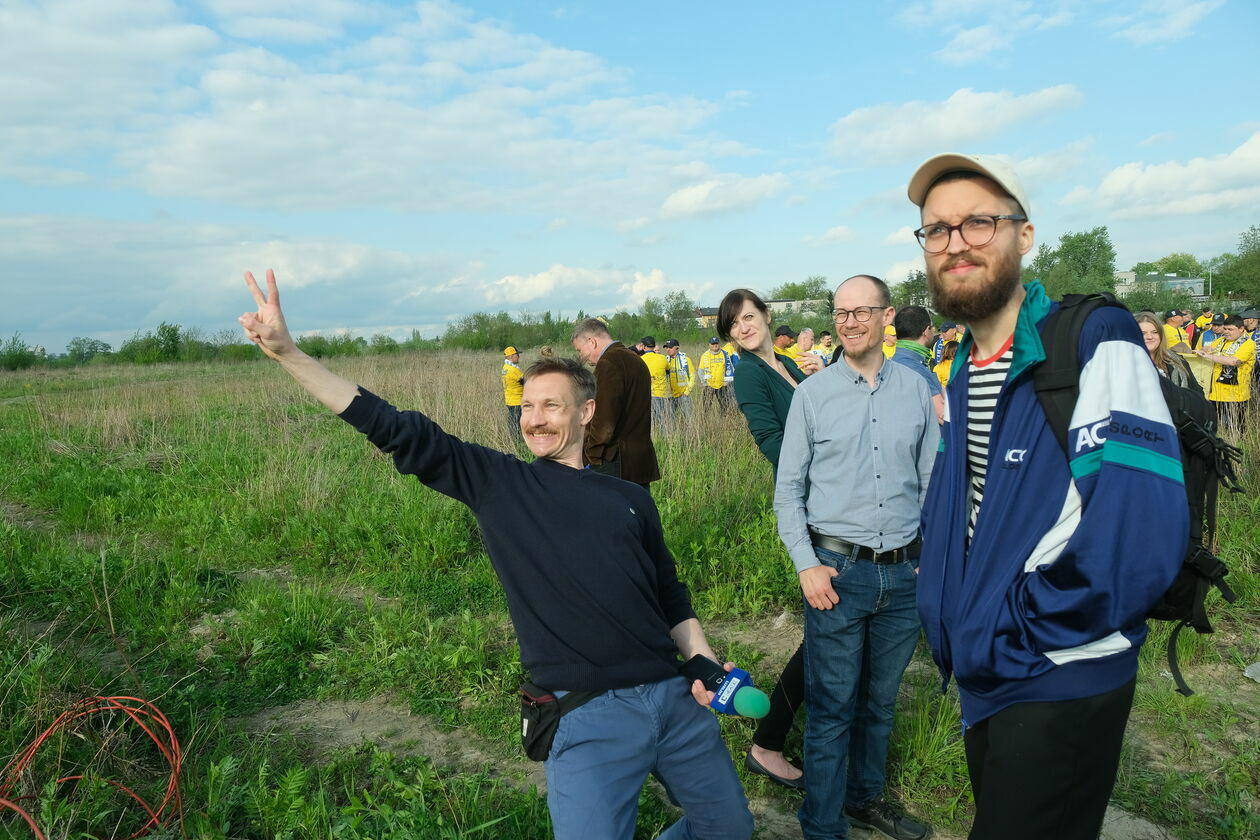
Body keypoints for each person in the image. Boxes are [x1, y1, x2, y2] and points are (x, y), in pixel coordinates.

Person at [238, 271, 754, 840]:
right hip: (585, 712)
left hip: (674, 697)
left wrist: (702, 660)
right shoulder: (502, 485)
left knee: (727, 826)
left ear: (585, 412)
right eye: (529, 407)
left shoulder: (630, 498)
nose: (534, 418)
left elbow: (668, 595)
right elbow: (396, 430)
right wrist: (289, 354)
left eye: (551, 406)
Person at [906, 153, 1187, 840]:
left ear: (1023, 236)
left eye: (978, 222)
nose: (955, 243)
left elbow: (1137, 533)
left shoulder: (1091, 341)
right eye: (936, 230)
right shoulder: (965, 369)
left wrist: (1021, 624)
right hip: (986, 670)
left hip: (1059, 670)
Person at [776, 275, 937, 840]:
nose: (849, 322)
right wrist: (806, 563)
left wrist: (929, 560)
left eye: (861, 311)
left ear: (886, 316)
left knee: (880, 705)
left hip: (905, 575)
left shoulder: (917, 390)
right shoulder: (811, 396)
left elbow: (931, 481)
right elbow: (788, 490)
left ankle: (864, 799)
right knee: (830, 709)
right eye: (840, 312)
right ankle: (822, 827)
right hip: (836, 575)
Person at [720, 288, 808, 791]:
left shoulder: (789, 364)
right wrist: (828, 471)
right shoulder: (749, 374)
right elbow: (771, 441)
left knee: (834, 630)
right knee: (825, 633)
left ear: (767, 317)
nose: (743, 327)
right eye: (734, 324)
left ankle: (783, 737)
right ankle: (767, 743)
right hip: (808, 501)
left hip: (832, 500)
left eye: (749, 317)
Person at [570, 318, 659, 490]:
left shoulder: (609, 363)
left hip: (615, 462)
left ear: (592, 341)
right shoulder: (634, 359)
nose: (581, 356)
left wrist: (590, 457)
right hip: (638, 461)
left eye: (580, 350)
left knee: (613, 515)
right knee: (638, 513)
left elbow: (603, 421)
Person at [1196, 314, 1256, 433]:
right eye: (1225, 329)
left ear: (1241, 329)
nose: (1227, 332)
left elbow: (1233, 361)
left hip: (1235, 396)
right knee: (1215, 429)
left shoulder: (1248, 343)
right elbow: (1208, 348)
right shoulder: (1222, 339)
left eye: (1230, 329)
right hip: (1215, 394)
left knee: (1237, 431)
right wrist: (1201, 350)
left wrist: (1208, 356)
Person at [890, 305, 945, 423]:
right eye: (932, 328)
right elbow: (943, 415)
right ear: (926, 331)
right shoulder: (914, 368)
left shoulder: (895, 362)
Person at [1135, 312, 1201, 393]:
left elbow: (1197, 392)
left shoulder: (1178, 361)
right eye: (1142, 333)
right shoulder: (1122, 365)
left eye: (1155, 332)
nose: (1149, 337)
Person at [640, 336, 672, 430]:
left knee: (650, 423)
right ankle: (666, 441)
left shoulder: (640, 360)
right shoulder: (662, 358)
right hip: (661, 394)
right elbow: (668, 373)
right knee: (663, 421)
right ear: (654, 346)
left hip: (647, 395)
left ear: (644, 347)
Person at [698, 336, 736, 411]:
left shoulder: (725, 354)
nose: (715, 345)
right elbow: (700, 370)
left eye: (716, 343)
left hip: (722, 385)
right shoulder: (705, 355)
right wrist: (704, 382)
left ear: (719, 344)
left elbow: (730, 368)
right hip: (709, 385)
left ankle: (724, 421)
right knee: (706, 408)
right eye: (712, 344)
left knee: (725, 407)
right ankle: (705, 422)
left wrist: (727, 382)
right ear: (709, 345)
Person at [664, 339, 695, 422]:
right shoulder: (665, 361)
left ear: (677, 348)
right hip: (671, 396)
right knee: (670, 419)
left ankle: (691, 434)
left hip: (684, 394)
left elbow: (692, 376)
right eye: (666, 348)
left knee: (689, 418)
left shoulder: (686, 359)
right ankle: (672, 435)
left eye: (670, 347)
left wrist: (687, 392)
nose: (668, 349)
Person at [502, 346, 524, 442]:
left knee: (513, 422)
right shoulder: (513, 370)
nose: (518, 356)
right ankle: (517, 444)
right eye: (517, 354)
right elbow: (525, 381)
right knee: (516, 425)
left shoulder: (505, 367)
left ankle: (514, 442)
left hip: (510, 399)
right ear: (511, 356)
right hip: (516, 401)